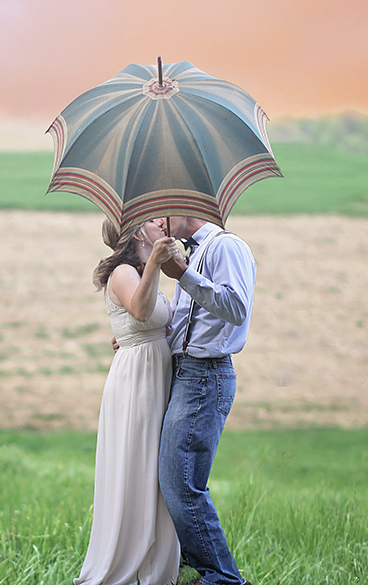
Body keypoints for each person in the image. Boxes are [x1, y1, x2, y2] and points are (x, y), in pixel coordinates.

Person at [73, 217, 180, 585]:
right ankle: (129, 564)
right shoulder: (123, 271)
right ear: (137, 233)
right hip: (137, 380)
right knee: (137, 463)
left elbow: (157, 322)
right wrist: (155, 264)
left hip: (155, 373)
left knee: (156, 469)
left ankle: (157, 564)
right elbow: (141, 311)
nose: (161, 222)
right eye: (152, 220)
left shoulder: (145, 272)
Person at [159, 216, 256, 585]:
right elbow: (185, 323)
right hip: (187, 372)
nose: (161, 223)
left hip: (205, 374)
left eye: (164, 212)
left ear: (186, 207)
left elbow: (236, 308)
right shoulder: (193, 253)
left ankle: (222, 579)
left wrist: (183, 274)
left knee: (181, 482)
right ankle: (192, 569)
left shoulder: (225, 246)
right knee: (173, 480)